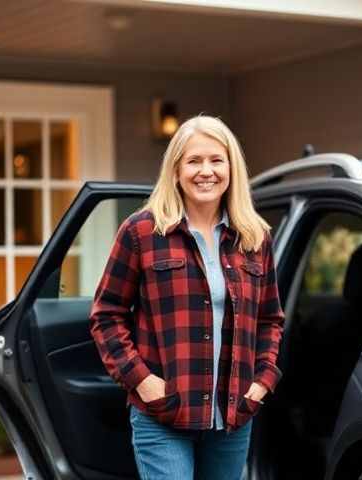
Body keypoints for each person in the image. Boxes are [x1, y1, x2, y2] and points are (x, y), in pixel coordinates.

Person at [89, 115, 285, 480]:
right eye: (194, 161)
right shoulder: (141, 232)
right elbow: (107, 315)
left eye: (216, 160)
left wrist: (261, 382)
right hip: (164, 414)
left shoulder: (255, 238)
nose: (205, 171)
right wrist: (143, 381)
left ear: (231, 168)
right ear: (176, 170)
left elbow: (270, 319)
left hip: (232, 417)